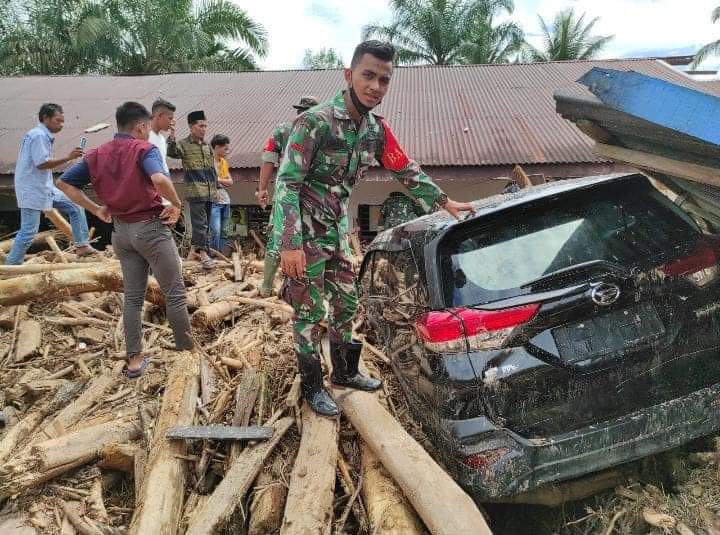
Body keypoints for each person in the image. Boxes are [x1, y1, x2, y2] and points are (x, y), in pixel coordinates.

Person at [274, 40, 475, 416]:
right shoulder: (314, 123)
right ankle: (312, 387)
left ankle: (345, 373)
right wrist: (289, 243)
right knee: (308, 313)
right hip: (303, 237)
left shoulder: (375, 131)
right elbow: (286, 184)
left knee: (348, 303)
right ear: (349, 75)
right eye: (368, 76)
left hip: (335, 232)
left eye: (384, 80)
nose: (376, 87)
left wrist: (444, 202)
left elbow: (405, 168)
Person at [56, 101, 193, 378]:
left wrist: (96, 209)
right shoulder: (144, 148)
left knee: (133, 298)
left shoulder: (98, 153)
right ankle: (186, 354)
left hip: (121, 233)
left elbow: (63, 183)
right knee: (175, 294)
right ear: (142, 126)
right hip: (151, 229)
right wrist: (176, 204)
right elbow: (159, 178)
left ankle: (134, 361)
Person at [6, 103, 98, 265]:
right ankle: (11, 267)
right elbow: (42, 163)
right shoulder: (38, 135)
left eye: (63, 121)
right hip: (32, 189)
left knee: (75, 206)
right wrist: (69, 157)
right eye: (57, 121)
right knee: (28, 231)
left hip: (44, 187)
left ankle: (82, 245)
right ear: (45, 118)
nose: (61, 125)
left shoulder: (42, 135)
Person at [257, 95, 319, 297]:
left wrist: (262, 189)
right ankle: (301, 289)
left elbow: (269, 161)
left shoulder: (283, 130)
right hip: (313, 197)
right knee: (309, 240)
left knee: (279, 238)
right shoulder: (321, 132)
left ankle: (267, 286)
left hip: (287, 194)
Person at [167, 110, 217, 269]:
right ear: (191, 127)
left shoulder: (207, 145)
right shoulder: (183, 144)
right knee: (200, 224)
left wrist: (216, 188)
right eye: (201, 126)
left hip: (210, 192)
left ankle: (201, 252)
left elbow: (211, 169)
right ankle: (202, 253)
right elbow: (172, 152)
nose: (204, 129)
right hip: (195, 190)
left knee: (207, 224)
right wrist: (172, 133)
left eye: (205, 126)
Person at [210, 134, 232, 254]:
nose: (227, 152)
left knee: (224, 231)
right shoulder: (208, 162)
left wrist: (217, 180)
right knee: (215, 230)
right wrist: (221, 181)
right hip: (213, 201)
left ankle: (220, 256)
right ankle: (213, 255)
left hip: (225, 201)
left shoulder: (223, 163)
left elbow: (230, 182)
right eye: (225, 149)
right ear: (217, 147)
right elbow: (208, 180)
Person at [149, 98, 176, 174]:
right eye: (170, 118)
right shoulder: (145, 138)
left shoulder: (162, 139)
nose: (171, 122)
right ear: (160, 116)